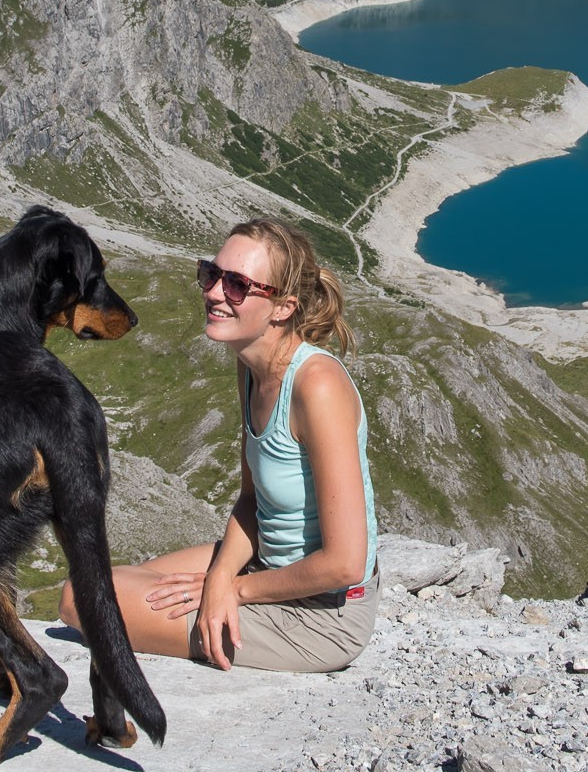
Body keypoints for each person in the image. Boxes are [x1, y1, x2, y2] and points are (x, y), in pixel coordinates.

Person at [61, 217, 378, 672]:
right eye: (212, 273)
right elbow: (253, 500)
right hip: (268, 566)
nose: (213, 291)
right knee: (95, 583)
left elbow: (346, 563)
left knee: (80, 602)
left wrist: (231, 587)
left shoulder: (317, 386)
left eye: (237, 285)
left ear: (283, 307)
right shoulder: (251, 366)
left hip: (324, 614)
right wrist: (222, 574)